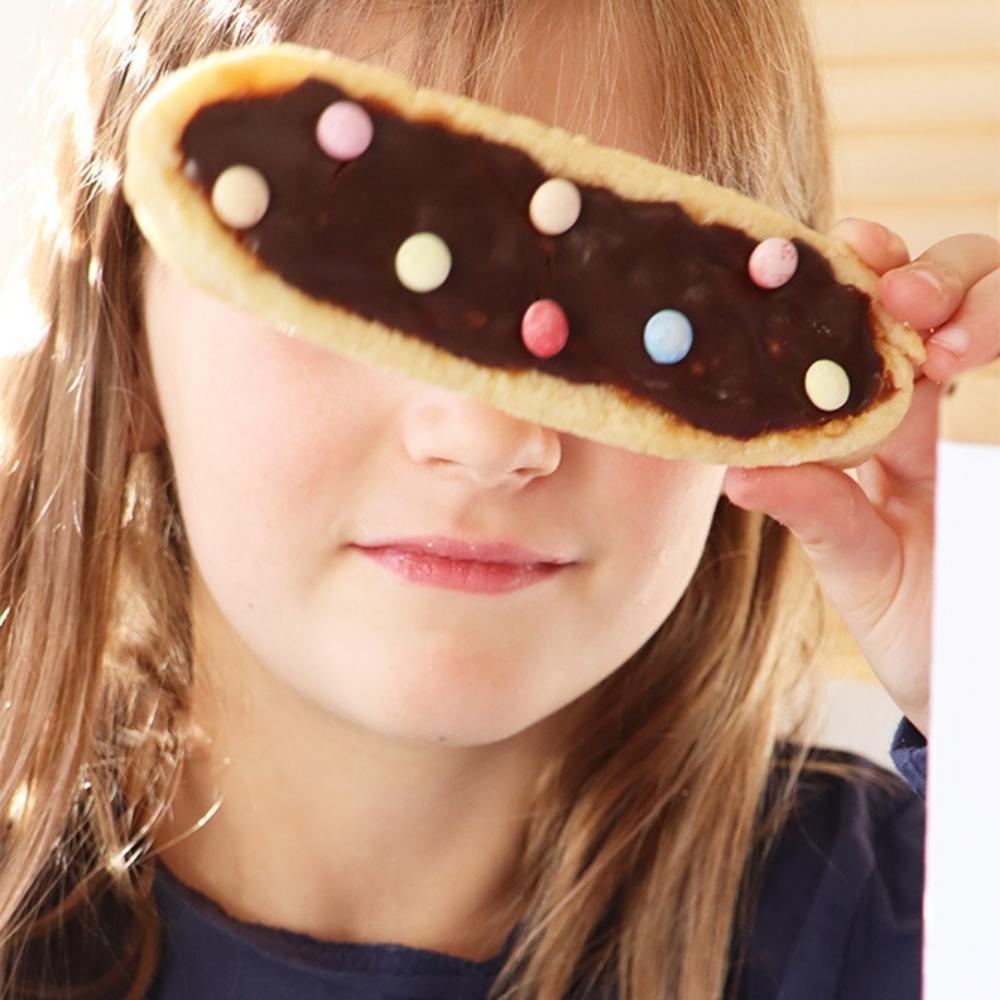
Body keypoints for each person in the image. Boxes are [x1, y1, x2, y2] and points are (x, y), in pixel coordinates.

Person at [0, 0, 996, 997]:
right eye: (346, 284)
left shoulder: (912, 924)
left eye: (632, 308)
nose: (488, 438)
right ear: (125, 324)